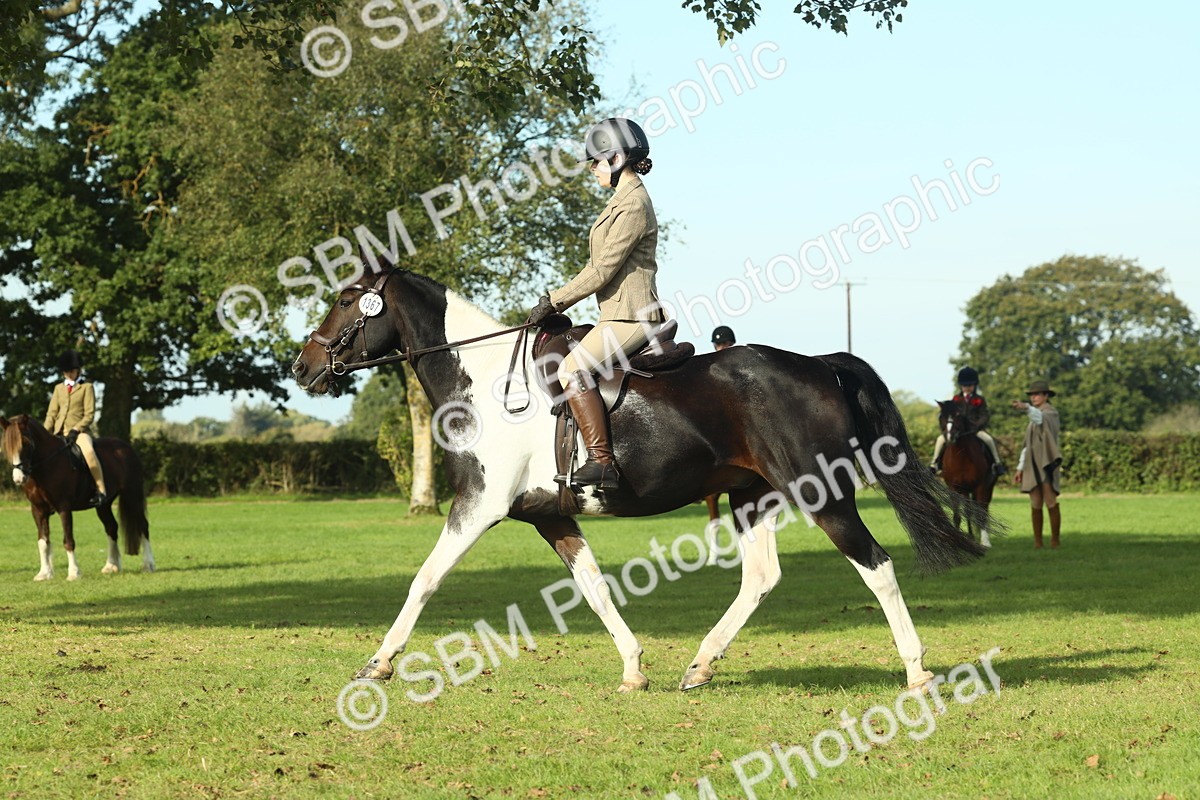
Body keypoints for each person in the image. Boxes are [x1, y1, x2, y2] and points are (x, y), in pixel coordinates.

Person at [528, 118, 665, 490]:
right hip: (615, 314)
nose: (592, 168)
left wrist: (554, 302)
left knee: (571, 369)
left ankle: (603, 462)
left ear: (618, 158)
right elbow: (596, 266)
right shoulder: (620, 201)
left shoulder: (633, 204)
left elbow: (602, 270)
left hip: (632, 316)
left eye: (596, 161)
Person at [44, 350, 107, 507]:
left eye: (72, 371)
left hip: (79, 433)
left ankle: (101, 490)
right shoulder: (58, 388)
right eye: (66, 372)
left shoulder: (86, 387)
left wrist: (76, 429)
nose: (69, 375)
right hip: (58, 433)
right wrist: (45, 433)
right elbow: (51, 413)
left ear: (78, 370)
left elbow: (89, 414)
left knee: (89, 452)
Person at [1012, 380, 1063, 549]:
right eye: (1031, 395)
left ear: (1046, 396)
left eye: (1037, 394)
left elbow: (1040, 419)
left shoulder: (1050, 413)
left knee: (1050, 501)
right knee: (1035, 502)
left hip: (1046, 463)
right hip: (1031, 463)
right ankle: (1038, 542)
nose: (1034, 397)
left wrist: (1026, 407)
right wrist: (1020, 467)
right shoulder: (1033, 417)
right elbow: (1027, 446)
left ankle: (1055, 540)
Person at [929, 366, 1006, 476]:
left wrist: (977, 425)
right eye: (965, 386)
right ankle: (934, 464)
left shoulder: (979, 399)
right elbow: (951, 415)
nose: (967, 388)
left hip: (975, 430)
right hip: (959, 430)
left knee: (989, 440)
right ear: (961, 386)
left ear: (974, 385)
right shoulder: (955, 399)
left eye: (970, 385)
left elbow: (985, 415)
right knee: (940, 440)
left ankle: (997, 463)